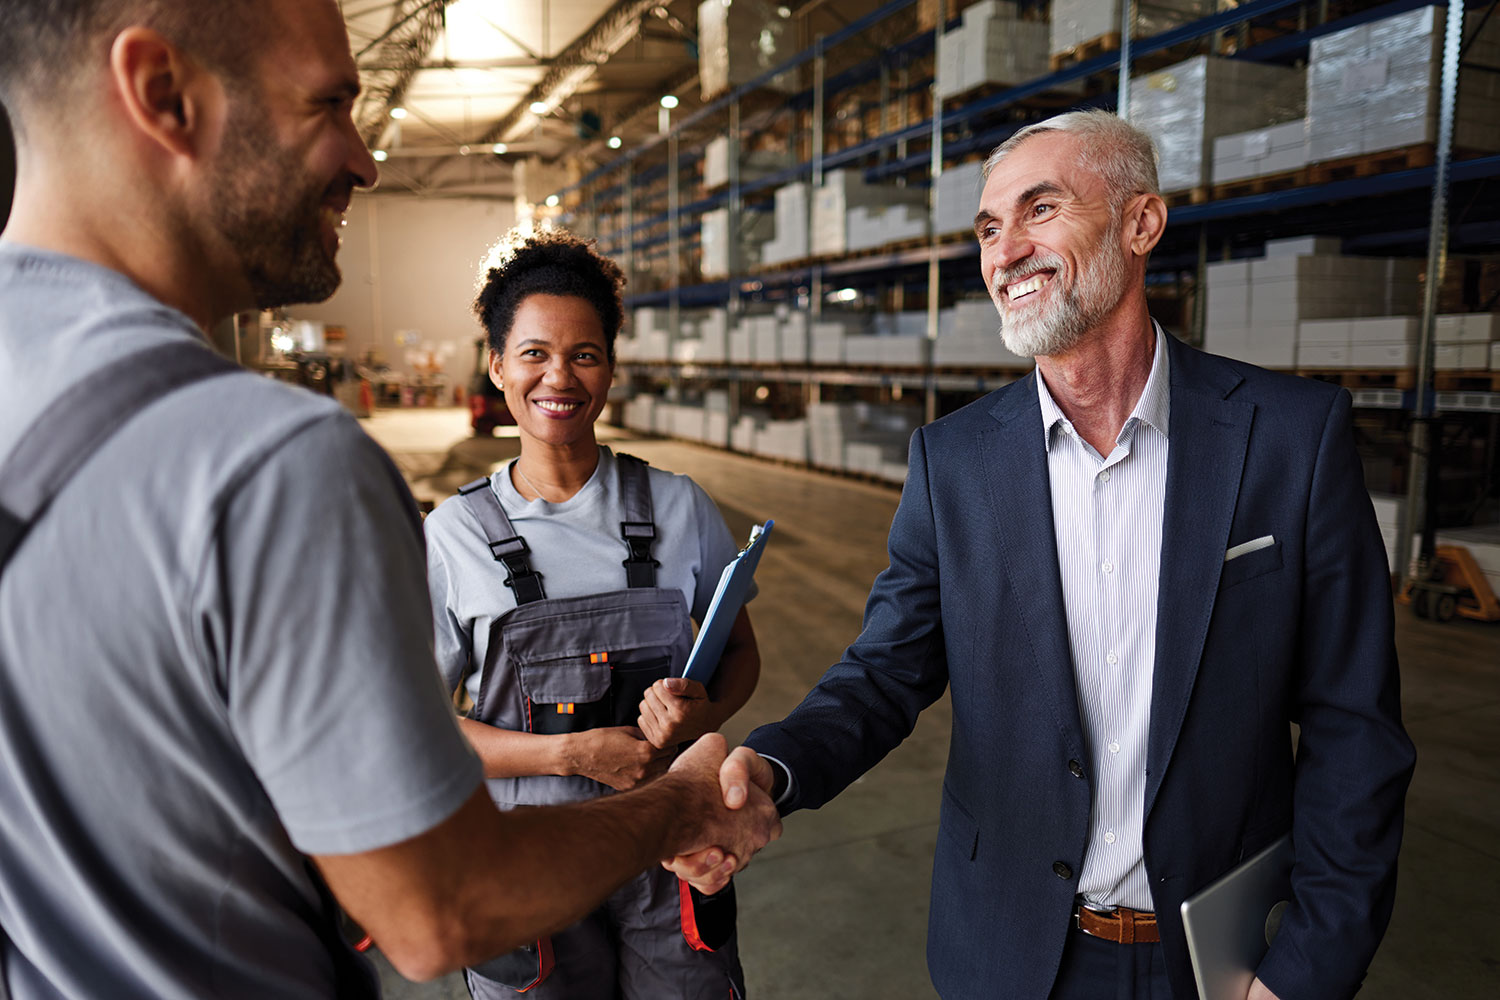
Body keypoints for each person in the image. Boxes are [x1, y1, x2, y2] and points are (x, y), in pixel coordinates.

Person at [0, 2, 778, 998]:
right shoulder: (273, 468)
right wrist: (678, 810)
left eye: (586, 354)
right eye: (328, 102)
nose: (365, 160)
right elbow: (437, 910)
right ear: (163, 94)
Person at [670, 109, 1416, 1000]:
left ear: (1141, 223)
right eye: (989, 227)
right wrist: (772, 773)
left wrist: (1304, 973)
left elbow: (1354, 729)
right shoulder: (953, 463)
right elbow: (883, 675)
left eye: (1040, 209)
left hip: (1222, 959)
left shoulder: (1292, 440)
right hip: (1011, 954)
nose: (1005, 250)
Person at [423, 229, 761, 999]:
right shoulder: (451, 538)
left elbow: (741, 655)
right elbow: (419, 725)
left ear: (609, 366)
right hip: (526, 861)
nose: (559, 378)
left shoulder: (680, 507)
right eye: (535, 353)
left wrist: (703, 709)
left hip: (669, 854)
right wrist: (568, 757)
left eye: (585, 354)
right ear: (498, 365)